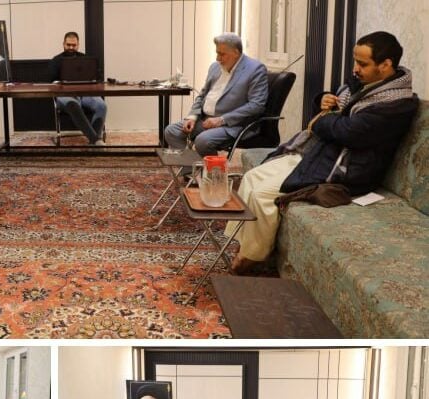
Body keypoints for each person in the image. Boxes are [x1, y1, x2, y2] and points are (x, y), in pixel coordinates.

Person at [225, 31, 419, 274]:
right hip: (323, 153)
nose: (355, 69)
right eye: (355, 61)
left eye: (362, 63)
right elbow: (340, 109)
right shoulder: (366, 85)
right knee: (252, 177)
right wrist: (324, 100)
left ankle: (252, 257)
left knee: (261, 195)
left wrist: (320, 120)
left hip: (347, 172)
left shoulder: (396, 105)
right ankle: (243, 242)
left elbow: (349, 132)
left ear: (386, 64)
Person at [164, 33, 268, 156]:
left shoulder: (255, 69)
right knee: (172, 131)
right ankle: (190, 165)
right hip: (205, 120)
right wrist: (192, 116)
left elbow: (256, 105)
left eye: (222, 54)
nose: (218, 58)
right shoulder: (215, 67)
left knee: (203, 141)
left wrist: (221, 120)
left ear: (236, 52)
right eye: (217, 53)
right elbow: (202, 95)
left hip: (233, 125)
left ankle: (213, 169)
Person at [48, 32, 107, 146]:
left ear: (78, 45)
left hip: (85, 94)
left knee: (102, 106)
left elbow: (97, 77)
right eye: (68, 45)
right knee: (72, 104)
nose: (71, 47)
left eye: (74, 45)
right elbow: (50, 80)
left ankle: (94, 139)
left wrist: (94, 80)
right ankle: (95, 140)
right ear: (63, 44)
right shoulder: (56, 60)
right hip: (65, 95)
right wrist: (59, 83)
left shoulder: (85, 59)